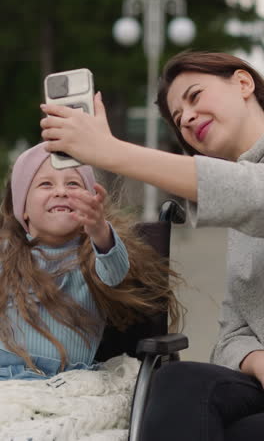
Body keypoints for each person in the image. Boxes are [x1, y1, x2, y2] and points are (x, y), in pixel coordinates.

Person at [40, 50, 264, 439]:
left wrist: (110, 152)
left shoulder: (246, 194)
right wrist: (258, 361)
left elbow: (253, 194)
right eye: (178, 119)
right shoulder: (240, 226)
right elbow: (232, 334)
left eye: (194, 96)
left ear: (244, 83)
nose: (188, 119)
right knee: (179, 382)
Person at [0, 142, 181, 381]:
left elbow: (115, 271)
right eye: (46, 184)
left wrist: (99, 230)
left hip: (68, 383)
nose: (61, 191)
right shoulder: (7, 254)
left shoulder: (92, 256)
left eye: (73, 184)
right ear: (23, 208)